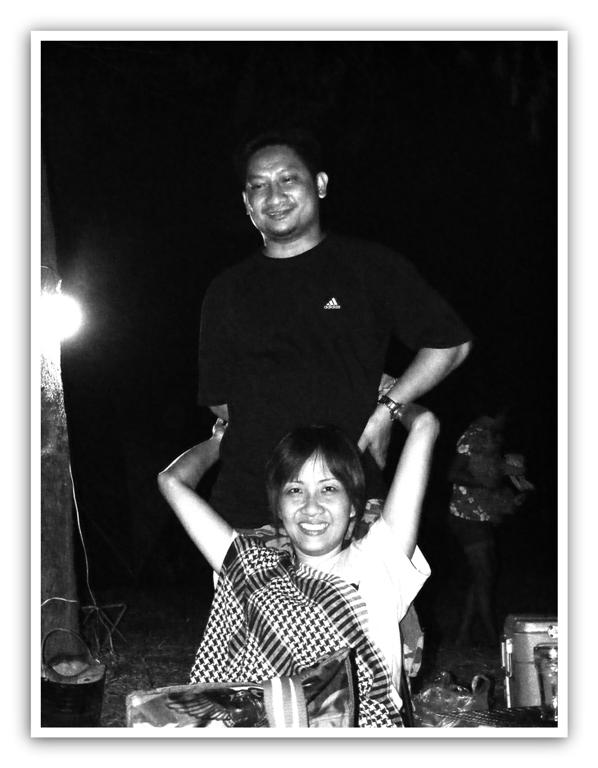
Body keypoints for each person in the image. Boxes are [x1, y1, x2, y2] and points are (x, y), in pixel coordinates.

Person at [197, 127, 473, 527]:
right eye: (258, 186)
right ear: (246, 202)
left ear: (320, 185)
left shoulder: (369, 267)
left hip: (351, 503)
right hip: (249, 506)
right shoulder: (226, 290)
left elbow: (451, 344)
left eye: (288, 179)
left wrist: (388, 409)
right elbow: (219, 399)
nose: (274, 196)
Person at [157, 402, 439, 728]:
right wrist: (220, 442)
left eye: (328, 489)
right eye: (294, 490)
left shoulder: (379, 561)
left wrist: (389, 406)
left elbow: (426, 424)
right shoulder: (255, 570)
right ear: (279, 507)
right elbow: (171, 481)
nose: (311, 506)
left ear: (353, 505)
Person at [447, 408, 530, 646]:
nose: (506, 422)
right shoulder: (473, 436)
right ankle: (492, 636)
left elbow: (491, 480)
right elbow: (453, 473)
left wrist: (511, 499)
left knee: (483, 575)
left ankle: (463, 635)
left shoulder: (492, 439)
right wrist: (487, 483)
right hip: (465, 516)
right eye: (504, 416)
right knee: (484, 574)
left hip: (480, 516)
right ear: (496, 414)